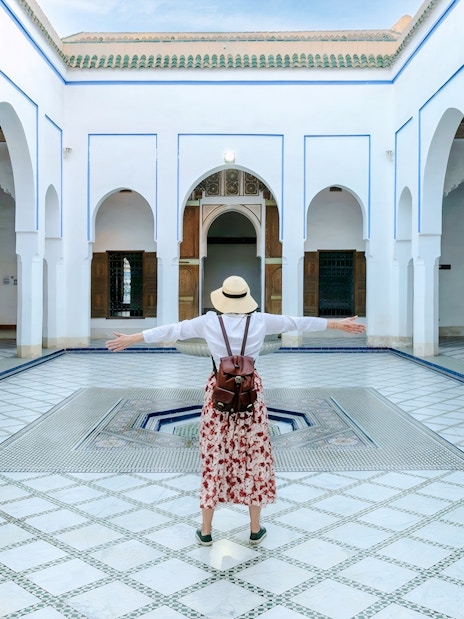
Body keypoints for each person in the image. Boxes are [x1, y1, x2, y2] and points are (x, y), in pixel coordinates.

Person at [106, 275, 366, 546]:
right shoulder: (261, 320)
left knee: (214, 458)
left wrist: (134, 337)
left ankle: (206, 531)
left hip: (218, 394)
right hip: (251, 396)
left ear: (222, 298)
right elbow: (297, 322)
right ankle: (255, 529)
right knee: (254, 458)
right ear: (246, 298)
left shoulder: (208, 322)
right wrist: (338, 323)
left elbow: (174, 330)